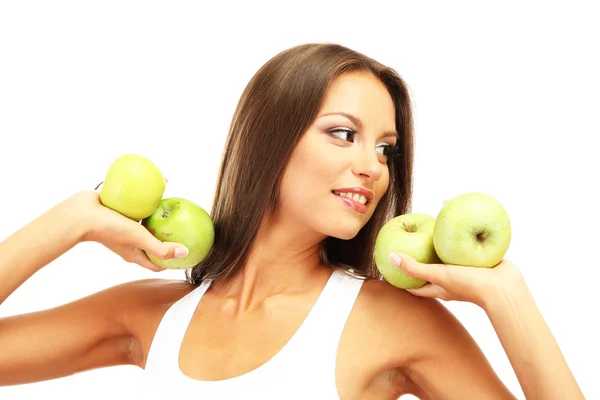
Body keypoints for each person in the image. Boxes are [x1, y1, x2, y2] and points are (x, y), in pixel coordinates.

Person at [0, 43, 584, 399]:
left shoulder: (397, 323)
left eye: (385, 149)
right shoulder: (151, 315)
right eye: (343, 133)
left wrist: (508, 297)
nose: (372, 168)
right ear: (269, 141)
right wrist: (73, 219)